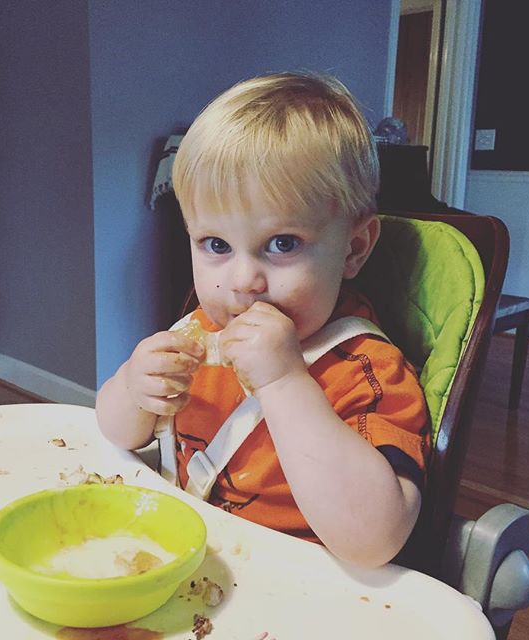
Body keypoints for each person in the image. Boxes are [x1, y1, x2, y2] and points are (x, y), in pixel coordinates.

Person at [96, 72, 430, 568]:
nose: (243, 279)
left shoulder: (367, 372)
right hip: (186, 561)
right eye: (216, 245)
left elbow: (374, 540)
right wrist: (133, 388)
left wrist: (285, 381)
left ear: (354, 248)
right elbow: (116, 433)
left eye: (282, 244)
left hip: (296, 585)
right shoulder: (196, 333)